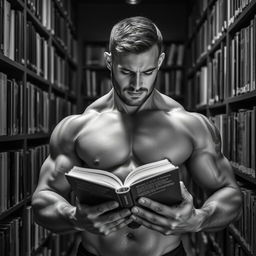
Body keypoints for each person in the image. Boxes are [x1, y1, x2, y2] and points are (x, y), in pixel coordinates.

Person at [32, 16, 242, 256]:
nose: (137, 84)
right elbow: (42, 200)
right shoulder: (76, 128)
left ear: (161, 61)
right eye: (126, 71)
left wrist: (200, 218)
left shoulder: (190, 126)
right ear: (109, 62)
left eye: (148, 71)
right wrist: (72, 217)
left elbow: (231, 193)